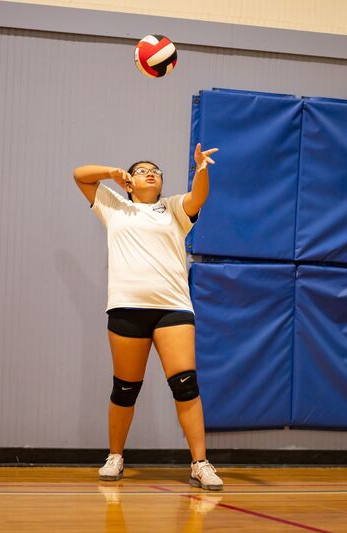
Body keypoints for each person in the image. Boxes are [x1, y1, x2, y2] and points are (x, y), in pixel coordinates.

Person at [73, 143, 223, 491]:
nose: (150, 172)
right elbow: (80, 176)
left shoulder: (173, 208)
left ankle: (200, 463)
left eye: (155, 170)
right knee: (125, 388)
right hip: (126, 308)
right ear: (129, 182)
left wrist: (201, 169)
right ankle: (115, 457)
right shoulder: (115, 206)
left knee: (186, 386)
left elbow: (198, 198)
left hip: (173, 308)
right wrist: (110, 172)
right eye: (141, 170)